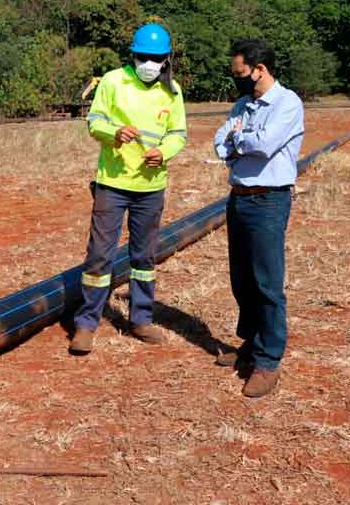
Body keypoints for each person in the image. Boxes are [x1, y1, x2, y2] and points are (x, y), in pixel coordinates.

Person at [70, 23, 188, 355]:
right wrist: (114, 132)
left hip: (151, 187)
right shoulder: (112, 81)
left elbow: (178, 133)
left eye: (157, 58)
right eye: (144, 57)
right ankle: (86, 323)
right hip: (113, 184)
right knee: (99, 254)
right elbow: (94, 122)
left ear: (166, 59)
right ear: (133, 55)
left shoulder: (172, 91)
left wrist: (163, 153)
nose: (150, 63)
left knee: (144, 257)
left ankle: (140, 320)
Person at [212, 39, 304, 397]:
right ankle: (251, 343)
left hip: (269, 200)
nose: (237, 80)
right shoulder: (241, 104)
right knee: (243, 278)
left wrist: (239, 140)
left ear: (259, 70)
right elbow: (220, 143)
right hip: (239, 198)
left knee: (267, 282)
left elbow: (265, 145)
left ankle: (268, 361)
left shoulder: (287, 103)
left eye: (240, 73)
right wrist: (239, 140)